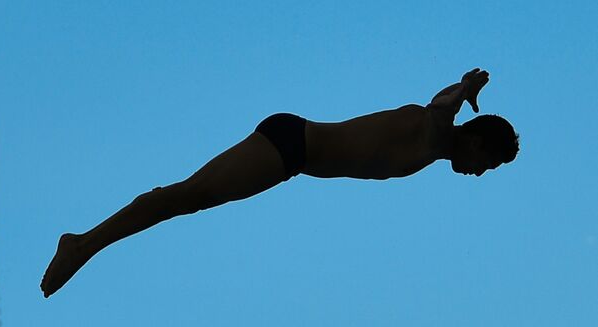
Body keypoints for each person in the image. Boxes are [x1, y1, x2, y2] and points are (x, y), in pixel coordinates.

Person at [41, 68, 518, 297]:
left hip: (290, 153)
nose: (480, 174)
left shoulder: (432, 148)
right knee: (185, 198)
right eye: (487, 163)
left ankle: (85, 243)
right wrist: (463, 90)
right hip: (290, 145)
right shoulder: (432, 133)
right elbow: (439, 109)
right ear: (477, 142)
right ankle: (82, 244)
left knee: (186, 199)